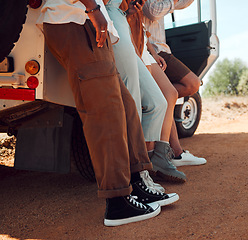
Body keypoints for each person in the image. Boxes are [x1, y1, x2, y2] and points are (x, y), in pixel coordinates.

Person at [37, 0, 178, 226]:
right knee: (106, 115)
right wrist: (93, 8)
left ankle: (135, 184)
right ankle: (118, 202)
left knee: (126, 108)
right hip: (76, 19)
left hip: (84, 20)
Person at [103, 0, 187, 182]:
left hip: (136, 39)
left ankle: (156, 158)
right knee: (140, 105)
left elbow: (139, 26)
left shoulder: (128, 10)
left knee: (163, 99)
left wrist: (152, 52)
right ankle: (143, 168)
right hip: (120, 32)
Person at [142, 0, 207, 166]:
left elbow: (180, 5)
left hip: (159, 49)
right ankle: (174, 153)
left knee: (171, 94)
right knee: (190, 84)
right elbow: (153, 11)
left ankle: (176, 153)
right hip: (154, 50)